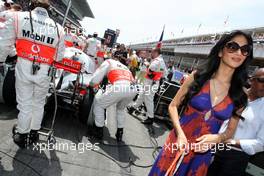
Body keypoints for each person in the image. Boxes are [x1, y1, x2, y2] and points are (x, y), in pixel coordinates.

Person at [148, 30, 253, 176]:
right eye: (233, 46)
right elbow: (173, 106)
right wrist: (179, 133)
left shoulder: (240, 94)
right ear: (221, 52)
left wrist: (217, 138)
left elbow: (230, 131)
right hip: (177, 143)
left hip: (202, 155)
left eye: (245, 50)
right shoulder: (198, 77)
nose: (239, 52)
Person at [0, 0, 65, 148]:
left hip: (24, 66)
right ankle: (34, 132)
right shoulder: (59, 28)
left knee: (25, 103)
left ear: (32, 6)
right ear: (49, 10)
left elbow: (4, 44)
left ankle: (22, 134)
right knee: (39, 103)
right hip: (45, 70)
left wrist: (1, 61)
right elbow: (59, 56)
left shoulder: (18, 17)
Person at [207, 68, 264, 176]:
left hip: (235, 158)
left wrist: (232, 142)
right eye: (263, 80)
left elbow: (261, 143)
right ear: (251, 80)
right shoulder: (235, 95)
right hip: (212, 146)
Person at [88, 55, 138, 142]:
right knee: (120, 109)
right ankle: (120, 133)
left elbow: (95, 80)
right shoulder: (125, 67)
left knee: (99, 104)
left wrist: (91, 85)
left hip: (120, 86)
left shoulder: (109, 62)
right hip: (133, 89)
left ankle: (98, 130)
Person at [127, 47, 167, 125]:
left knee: (148, 100)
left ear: (156, 52)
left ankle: (150, 118)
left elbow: (150, 72)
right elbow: (164, 74)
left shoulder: (156, 61)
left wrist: (147, 65)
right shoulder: (162, 62)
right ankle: (133, 108)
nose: (150, 54)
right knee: (141, 96)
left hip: (151, 83)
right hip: (152, 83)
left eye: (151, 52)